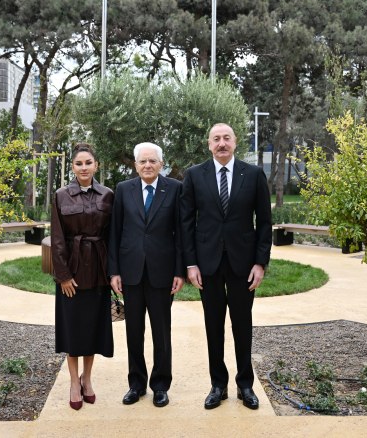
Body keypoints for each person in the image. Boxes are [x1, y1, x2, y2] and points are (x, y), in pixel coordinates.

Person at [180, 123, 272, 410]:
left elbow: (265, 222)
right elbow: (186, 222)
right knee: (213, 325)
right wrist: (191, 263)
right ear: (209, 144)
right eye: (216, 139)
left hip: (243, 263)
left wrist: (260, 262)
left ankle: (245, 385)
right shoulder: (195, 175)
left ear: (235, 143)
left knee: (242, 325)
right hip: (207, 263)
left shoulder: (254, 174)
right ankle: (217, 384)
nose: (222, 143)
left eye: (227, 139)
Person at [108, 142, 185, 408]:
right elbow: (115, 232)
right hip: (130, 272)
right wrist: (114, 271)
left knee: (161, 332)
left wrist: (179, 271)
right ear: (136, 165)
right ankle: (136, 385)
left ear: (161, 164)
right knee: (133, 332)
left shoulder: (174, 189)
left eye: (152, 161)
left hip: (163, 273)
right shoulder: (123, 189)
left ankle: (161, 385)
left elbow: (180, 233)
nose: (147, 165)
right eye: (143, 161)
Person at [51, 142, 115, 410]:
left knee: (93, 329)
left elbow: (113, 236)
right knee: (73, 329)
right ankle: (73, 383)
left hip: (98, 272)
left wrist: (114, 274)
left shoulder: (108, 195)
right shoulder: (61, 195)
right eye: (79, 163)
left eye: (88, 163)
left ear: (96, 165)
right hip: (73, 274)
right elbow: (57, 238)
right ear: (73, 167)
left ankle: (87, 379)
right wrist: (63, 275)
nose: (84, 167)